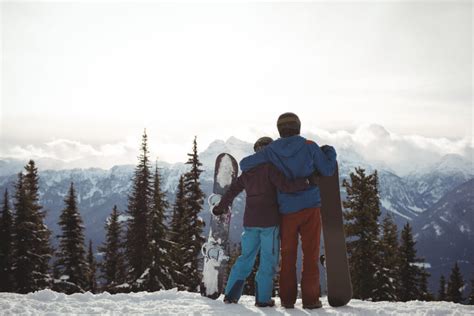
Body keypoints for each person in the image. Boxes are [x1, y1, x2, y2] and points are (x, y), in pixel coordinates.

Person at [239, 112, 337, 309]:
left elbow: (244, 164)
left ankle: (287, 299)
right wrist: (330, 151)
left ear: (279, 129)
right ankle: (311, 300)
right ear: (298, 127)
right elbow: (327, 170)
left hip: (286, 211)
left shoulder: (272, 149)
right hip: (310, 207)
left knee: (288, 255)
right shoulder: (309, 146)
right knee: (310, 254)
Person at [212, 136, 318, 307]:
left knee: (245, 257)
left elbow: (232, 191)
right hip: (270, 223)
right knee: (268, 261)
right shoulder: (271, 168)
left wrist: (221, 207)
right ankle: (262, 299)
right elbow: (286, 186)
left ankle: (231, 294)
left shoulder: (247, 172)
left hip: (250, 223)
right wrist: (306, 182)